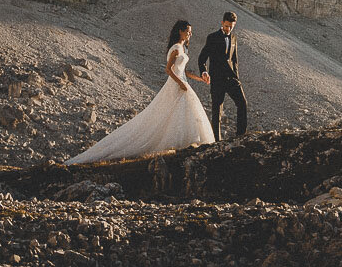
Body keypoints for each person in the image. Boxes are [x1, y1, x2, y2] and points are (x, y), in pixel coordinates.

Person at [66, 19, 214, 163]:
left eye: (191, 32)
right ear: (180, 32)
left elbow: (184, 71)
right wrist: (181, 83)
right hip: (176, 84)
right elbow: (168, 70)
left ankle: (187, 142)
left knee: (183, 111)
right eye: (188, 32)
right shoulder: (175, 48)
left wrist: (200, 79)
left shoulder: (183, 48)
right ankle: (177, 143)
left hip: (183, 84)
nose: (190, 34)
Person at [197, 11, 248, 140]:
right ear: (222, 23)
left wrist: (236, 76)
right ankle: (216, 141)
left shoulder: (234, 38)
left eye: (231, 26)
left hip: (232, 79)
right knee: (216, 111)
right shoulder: (212, 37)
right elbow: (202, 58)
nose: (228, 29)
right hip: (217, 80)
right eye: (226, 26)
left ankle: (241, 135)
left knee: (242, 103)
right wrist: (204, 71)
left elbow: (234, 59)